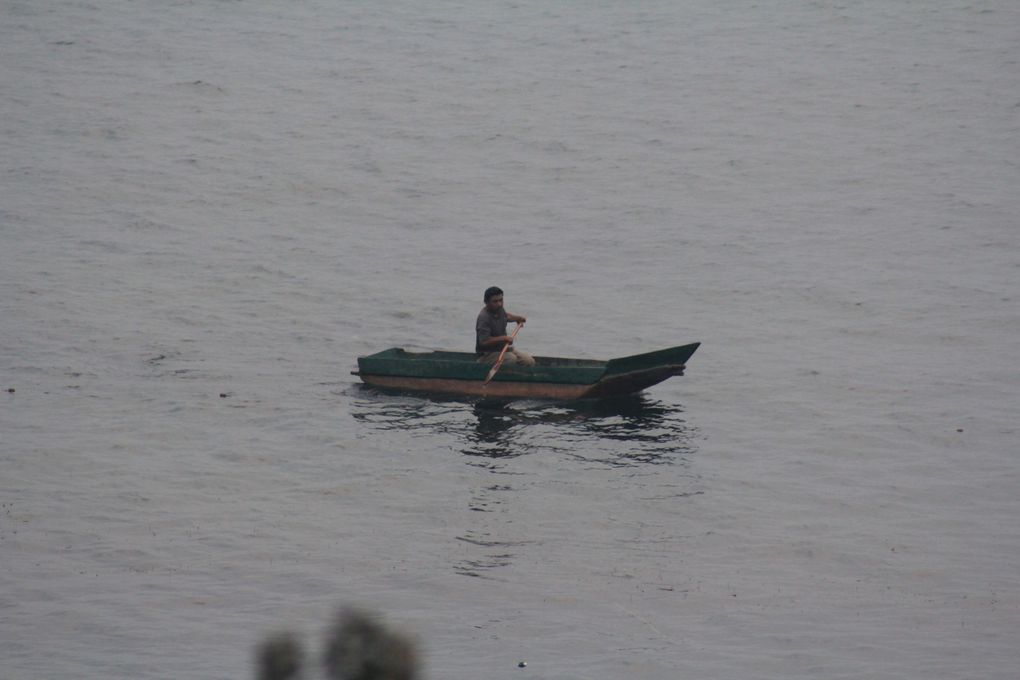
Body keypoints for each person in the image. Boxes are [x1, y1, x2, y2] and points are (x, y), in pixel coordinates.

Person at [475, 286, 535, 367]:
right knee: (511, 359)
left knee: (529, 361)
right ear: (486, 302)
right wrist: (504, 338)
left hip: (503, 350)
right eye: (495, 301)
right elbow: (484, 341)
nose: (499, 304)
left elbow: (506, 316)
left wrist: (518, 318)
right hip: (487, 355)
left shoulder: (499, 309)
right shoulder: (484, 318)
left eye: (501, 300)